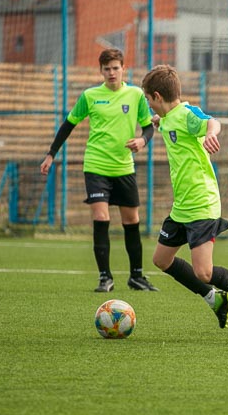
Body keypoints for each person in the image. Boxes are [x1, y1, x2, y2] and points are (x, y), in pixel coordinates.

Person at [141, 64, 228, 330]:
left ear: (157, 96)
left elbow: (213, 121)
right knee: (161, 260)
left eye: (148, 99)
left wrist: (211, 133)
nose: (148, 105)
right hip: (182, 206)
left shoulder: (187, 114)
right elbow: (164, 121)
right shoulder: (167, 118)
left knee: (204, 272)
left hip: (202, 202)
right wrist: (157, 121)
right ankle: (215, 299)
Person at [40, 49, 159, 293]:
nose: (112, 72)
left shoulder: (136, 94)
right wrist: (51, 154)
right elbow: (68, 125)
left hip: (124, 167)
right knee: (101, 218)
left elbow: (148, 128)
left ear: (123, 68)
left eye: (116, 68)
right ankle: (105, 278)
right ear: (101, 71)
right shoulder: (90, 96)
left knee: (131, 221)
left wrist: (142, 141)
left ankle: (136, 276)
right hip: (95, 166)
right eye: (107, 69)